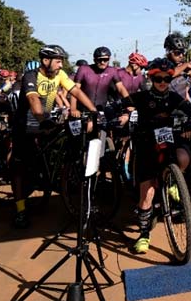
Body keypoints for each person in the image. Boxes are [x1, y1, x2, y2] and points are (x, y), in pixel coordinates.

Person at [11, 45, 97, 228]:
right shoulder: (31, 76)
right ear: (45, 61)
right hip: (26, 126)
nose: (61, 64)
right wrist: (42, 119)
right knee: (19, 167)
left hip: (46, 123)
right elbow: (34, 100)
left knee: (65, 138)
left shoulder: (59, 75)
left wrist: (94, 110)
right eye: (58, 61)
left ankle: (60, 175)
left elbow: (76, 91)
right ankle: (20, 210)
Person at [123, 58, 191, 254]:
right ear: (151, 78)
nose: (162, 82)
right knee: (146, 195)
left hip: (169, 142)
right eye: (158, 79)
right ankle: (144, 234)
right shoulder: (142, 97)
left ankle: (172, 181)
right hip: (147, 146)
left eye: (166, 78)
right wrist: (114, 115)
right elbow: (117, 106)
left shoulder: (172, 97)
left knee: (183, 157)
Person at [71, 47, 124, 117]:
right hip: (82, 111)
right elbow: (75, 90)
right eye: (100, 60)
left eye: (105, 59)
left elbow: (121, 88)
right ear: (94, 60)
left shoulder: (112, 71)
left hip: (101, 111)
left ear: (109, 59)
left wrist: (130, 103)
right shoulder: (83, 69)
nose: (102, 62)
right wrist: (73, 109)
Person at [163, 34, 191, 102]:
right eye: (177, 53)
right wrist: (186, 65)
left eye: (182, 52)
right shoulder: (163, 63)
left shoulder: (183, 66)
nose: (181, 56)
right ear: (168, 51)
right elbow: (170, 73)